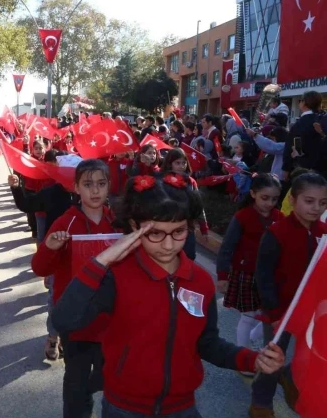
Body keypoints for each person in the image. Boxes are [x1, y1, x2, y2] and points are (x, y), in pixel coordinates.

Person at [52, 174, 286, 418]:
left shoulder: (200, 281)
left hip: (181, 408)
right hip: (124, 407)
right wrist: (102, 260)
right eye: (155, 233)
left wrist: (253, 360)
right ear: (134, 226)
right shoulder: (116, 276)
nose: (168, 245)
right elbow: (64, 320)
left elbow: (208, 343)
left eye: (178, 232)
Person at [32, 159, 115, 416]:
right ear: (76, 188)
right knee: (77, 388)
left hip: (112, 322)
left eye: (101, 184)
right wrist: (51, 248)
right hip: (76, 323)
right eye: (88, 184)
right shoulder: (64, 223)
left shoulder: (119, 223)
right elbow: (40, 267)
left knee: (115, 385)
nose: (95, 191)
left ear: (109, 186)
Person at [251, 172, 327, 417]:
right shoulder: (277, 232)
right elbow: (263, 276)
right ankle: (261, 403)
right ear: (293, 200)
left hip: (313, 309)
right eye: (309, 200)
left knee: (310, 350)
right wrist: (273, 312)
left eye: (323, 203)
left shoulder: (324, 234)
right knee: (272, 356)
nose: (316, 208)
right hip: (280, 310)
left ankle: (291, 377)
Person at [216, 174, 283, 356]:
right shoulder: (243, 216)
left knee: (270, 315)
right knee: (248, 316)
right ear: (253, 194)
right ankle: (244, 356)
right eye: (265, 198)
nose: (269, 203)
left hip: (270, 276)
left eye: (274, 199)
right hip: (247, 274)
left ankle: (253, 339)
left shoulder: (279, 217)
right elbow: (227, 247)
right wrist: (222, 276)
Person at [282, 91, 323, 177]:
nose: (299, 102)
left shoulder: (300, 124)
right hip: (321, 170)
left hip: (302, 170)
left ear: (304, 102)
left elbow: (289, 148)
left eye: (300, 100)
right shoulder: (322, 120)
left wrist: (286, 169)